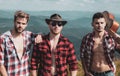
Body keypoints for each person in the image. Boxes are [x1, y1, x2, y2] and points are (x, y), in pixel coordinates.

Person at [0, 10, 42, 76]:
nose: (20, 26)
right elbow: (0, 64)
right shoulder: (3, 39)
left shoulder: (28, 36)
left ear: (26, 24)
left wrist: (39, 35)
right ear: (14, 22)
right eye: (18, 23)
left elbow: (41, 36)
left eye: (23, 24)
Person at [80, 12, 120, 76]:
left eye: (102, 23)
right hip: (92, 73)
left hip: (108, 72)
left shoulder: (111, 38)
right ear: (92, 24)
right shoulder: (87, 38)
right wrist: (86, 71)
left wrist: (114, 34)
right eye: (97, 23)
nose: (100, 25)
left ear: (105, 24)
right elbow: (82, 56)